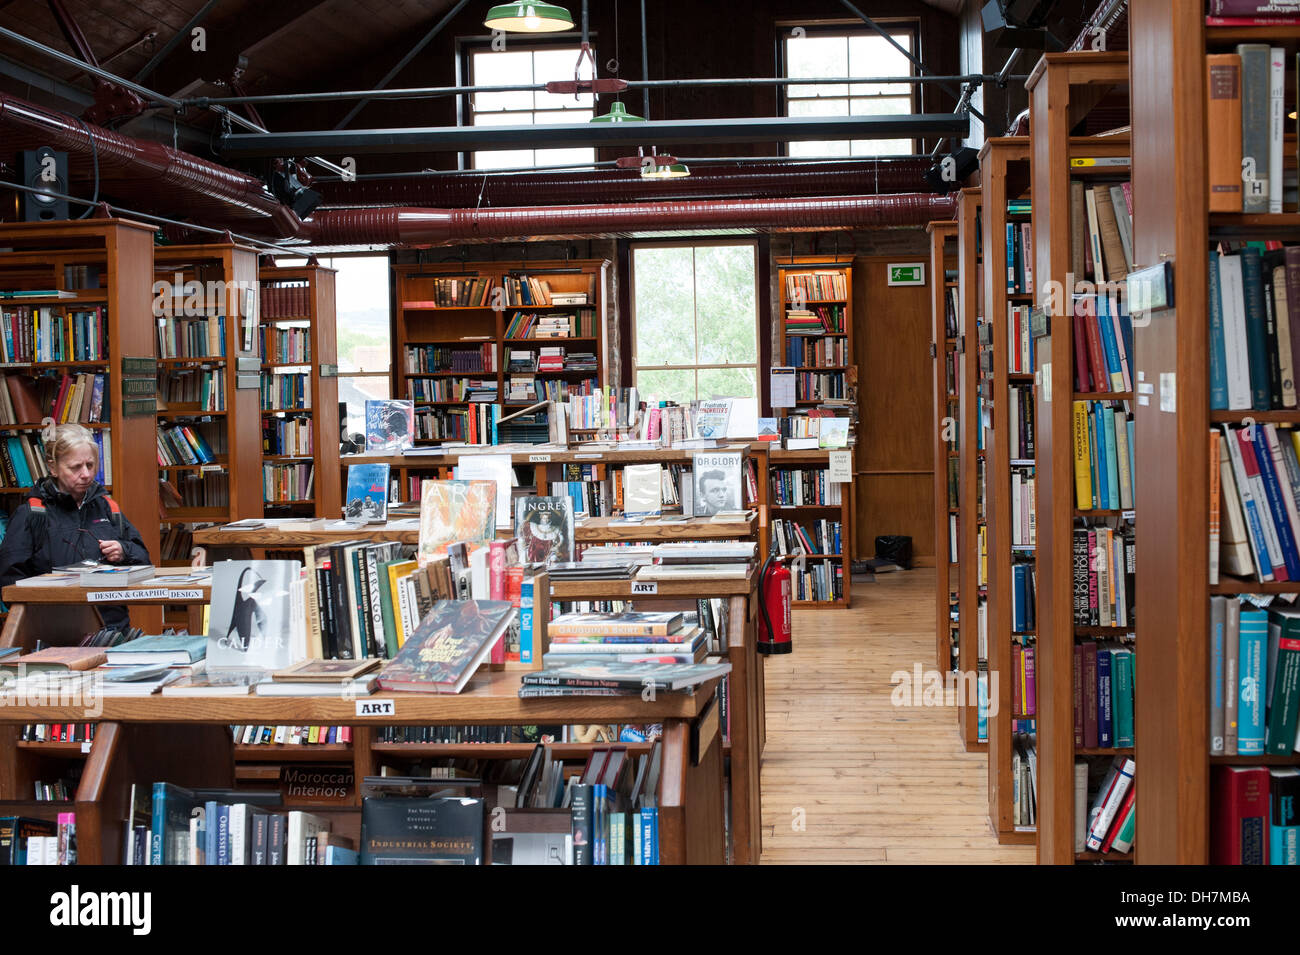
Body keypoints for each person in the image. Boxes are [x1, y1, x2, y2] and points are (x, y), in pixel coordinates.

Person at [0, 423, 150, 630]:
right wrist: (42, 618)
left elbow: (144, 560)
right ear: (53, 467)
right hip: (54, 633)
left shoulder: (108, 506)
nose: (86, 474)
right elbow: (9, 583)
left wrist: (124, 551)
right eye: (75, 467)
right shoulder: (32, 514)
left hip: (112, 629)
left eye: (90, 465)